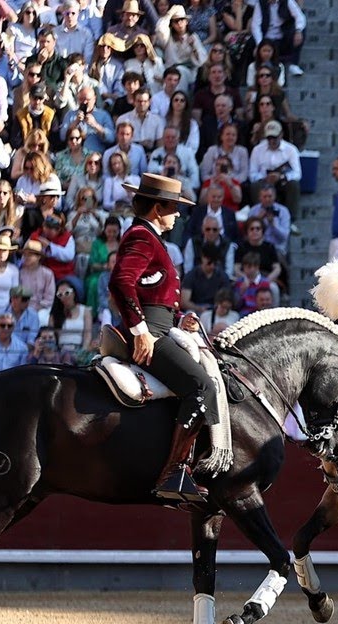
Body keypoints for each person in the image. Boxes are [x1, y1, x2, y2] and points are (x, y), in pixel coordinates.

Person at [108, 173, 215, 503]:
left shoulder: (151, 238)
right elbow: (121, 282)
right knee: (201, 386)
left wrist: (181, 319)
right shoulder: (142, 237)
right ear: (157, 207)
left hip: (162, 326)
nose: (178, 214)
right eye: (174, 207)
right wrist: (140, 331)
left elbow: (150, 292)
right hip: (151, 334)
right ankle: (173, 475)